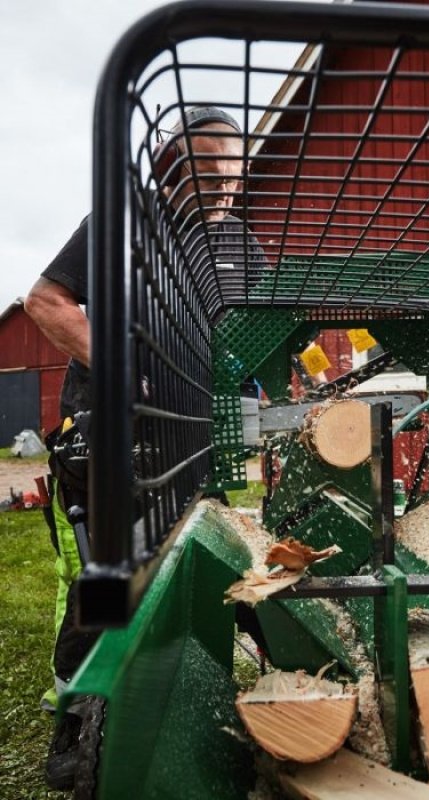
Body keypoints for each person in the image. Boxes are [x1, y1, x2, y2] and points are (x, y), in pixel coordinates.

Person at [25, 106, 263, 790]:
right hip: (113, 432)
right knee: (110, 576)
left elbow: (250, 338)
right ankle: (75, 713)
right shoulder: (121, 222)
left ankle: (193, 694)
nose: (223, 186)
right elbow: (46, 302)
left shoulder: (242, 245)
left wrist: (268, 384)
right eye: (207, 170)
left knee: (206, 562)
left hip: (192, 438)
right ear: (170, 167)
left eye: (233, 171)